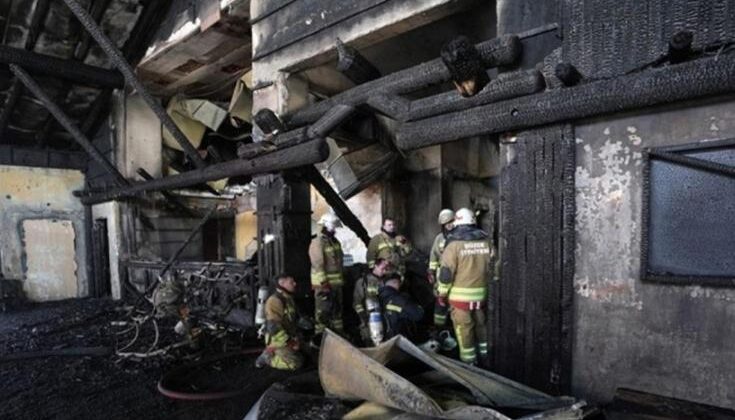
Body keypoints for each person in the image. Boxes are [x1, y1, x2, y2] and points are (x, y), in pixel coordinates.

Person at [436, 208, 494, 365]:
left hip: (459, 300)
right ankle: (486, 358)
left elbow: (446, 275)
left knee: (465, 332)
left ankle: (469, 365)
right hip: (480, 297)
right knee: (481, 327)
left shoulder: (454, 245)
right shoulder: (486, 242)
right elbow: (495, 268)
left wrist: (441, 294)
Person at [255, 274, 303, 370]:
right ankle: (268, 359)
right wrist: (289, 342)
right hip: (278, 340)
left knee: (308, 353)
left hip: (290, 335)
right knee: (296, 363)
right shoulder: (275, 301)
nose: (295, 284)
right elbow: (274, 328)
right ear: (282, 283)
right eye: (291, 282)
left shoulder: (288, 298)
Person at [309, 213, 345, 337]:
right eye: (332, 227)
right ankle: (320, 340)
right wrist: (324, 283)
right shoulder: (317, 242)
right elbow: (317, 264)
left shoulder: (335, 242)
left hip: (336, 286)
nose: (334, 230)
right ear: (325, 225)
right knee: (322, 314)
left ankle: (338, 337)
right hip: (324, 286)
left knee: (337, 313)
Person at [353, 258, 392, 344]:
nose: (384, 271)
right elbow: (357, 302)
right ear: (375, 266)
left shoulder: (386, 282)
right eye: (382, 268)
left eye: (386, 269)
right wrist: (363, 316)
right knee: (369, 339)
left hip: (384, 317)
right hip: (368, 318)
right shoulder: (363, 282)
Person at [429, 209, 455, 326]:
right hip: (442, 277)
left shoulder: (459, 237)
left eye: (451, 222)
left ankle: (453, 329)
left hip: (456, 276)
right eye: (446, 223)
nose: (449, 225)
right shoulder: (439, 238)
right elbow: (433, 255)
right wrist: (431, 270)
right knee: (440, 305)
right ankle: (439, 329)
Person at [380, 275, 425, 341]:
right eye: (399, 283)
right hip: (402, 340)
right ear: (395, 283)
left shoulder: (380, 298)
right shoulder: (398, 299)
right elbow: (419, 314)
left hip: (387, 339)